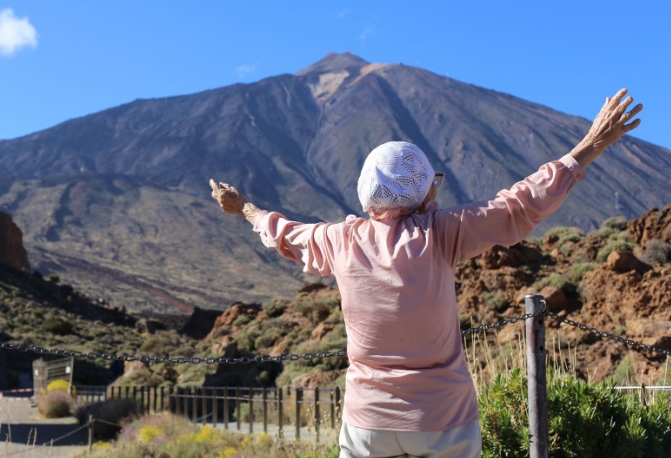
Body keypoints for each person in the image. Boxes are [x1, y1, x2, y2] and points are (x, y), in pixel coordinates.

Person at [209, 88, 642, 458]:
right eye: (432, 181)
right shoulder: (442, 233)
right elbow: (521, 204)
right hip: (443, 420)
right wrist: (591, 143)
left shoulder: (339, 240)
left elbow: (282, 232)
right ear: (417, 191)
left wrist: (242, 206)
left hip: (367, 423)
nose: (438, 187)